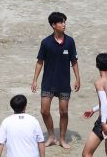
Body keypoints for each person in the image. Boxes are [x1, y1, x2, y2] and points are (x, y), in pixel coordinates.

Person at [30, 11, 80, 149]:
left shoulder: (70, 42)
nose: (64, 25)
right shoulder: (46, 43)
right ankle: (51, 136)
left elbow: (74, 61)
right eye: (61, 22)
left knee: (64, 111)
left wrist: (77, 78)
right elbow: (40, 62)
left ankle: (62, 139)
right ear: (53, 25)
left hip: (64, 83)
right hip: (48, 83)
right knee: (44, 111)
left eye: (64, 22)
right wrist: (34, 80)